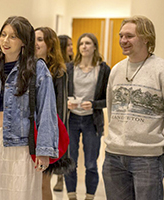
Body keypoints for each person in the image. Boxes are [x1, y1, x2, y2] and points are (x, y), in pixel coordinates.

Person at [0, 16, 59, 200]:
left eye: (12, 36)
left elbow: (47, 111)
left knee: (21, 194)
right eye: (3, 35)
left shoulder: (38, 69)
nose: (5, 40)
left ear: (24, 41)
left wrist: (43, 150)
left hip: (22, 145)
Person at [103, 15, 164, 200]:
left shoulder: (160, 69)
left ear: (146, 38)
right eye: (121, 36)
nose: (123, 41)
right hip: (113, 156)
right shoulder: (116, 70)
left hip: (147, 158)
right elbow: (111, 108)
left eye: (129, 36)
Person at [64, 33, 110, 200]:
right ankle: (71, 196)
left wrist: (94, 104)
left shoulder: (103, 69)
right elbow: (60, 94)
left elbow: (108, 98)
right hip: (72, 119)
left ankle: (90, 196)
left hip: (93, 120)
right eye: (81, 43)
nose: (84, 46)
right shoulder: (69, 68)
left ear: (95, 47)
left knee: (91, 164)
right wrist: (67, 104)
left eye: (88, 43)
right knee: (70, 161)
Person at [35, 26, 69, 200]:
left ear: (50, 44)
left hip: (47, 134)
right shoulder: (27, 67)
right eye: (34, 39)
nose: (35, 43)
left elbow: (61, 109)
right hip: (29, 133)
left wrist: (53, 142)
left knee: (42, 184)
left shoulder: (58, 71)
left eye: (40, 39)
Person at [54, 34, 75, 193]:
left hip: (75, 110)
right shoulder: (59, 67)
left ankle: (62, 177)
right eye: (68, 45)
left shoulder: (73, 66)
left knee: (68, 148)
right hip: (61, 109)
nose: (71, 48)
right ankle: (59, 178)